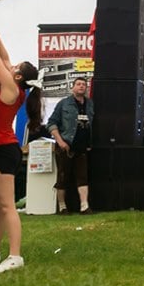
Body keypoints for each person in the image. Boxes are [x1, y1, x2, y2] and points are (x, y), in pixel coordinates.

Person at [0, 17, 42, 272]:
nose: (11, 63)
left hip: (2, 149)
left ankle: (15, 255)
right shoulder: (13, 83)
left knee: (6, 205)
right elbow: (2, 54)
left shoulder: (11, 89)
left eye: (16, 65)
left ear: (17, 75)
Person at [48, 77, 94, 215]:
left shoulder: (90, 104)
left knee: (83, 177)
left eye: (84, 85)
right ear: (72, 87)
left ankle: (84, 206)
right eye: (78, 84)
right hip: (65, 146)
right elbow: (51, 123)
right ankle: (62, 206)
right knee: (63, 177)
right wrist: (60, 141)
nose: (81, 87)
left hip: (82, 148)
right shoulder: (64, 104)